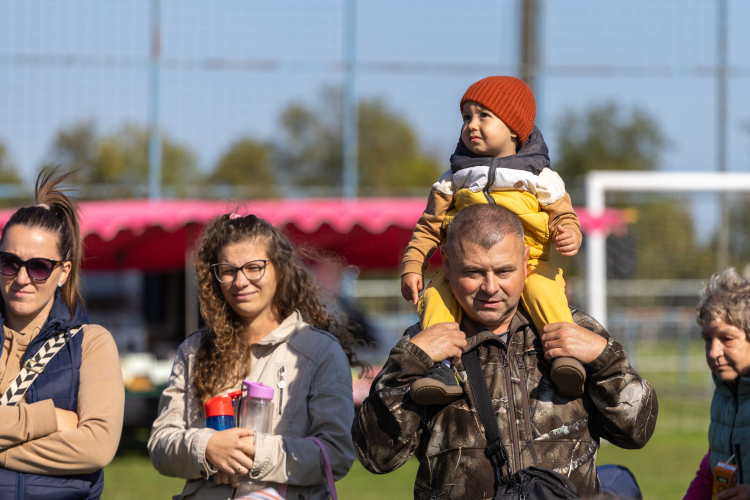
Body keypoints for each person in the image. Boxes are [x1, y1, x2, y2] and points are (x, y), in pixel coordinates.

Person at [353, 203, 658, 499]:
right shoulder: (426, 345)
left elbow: (636, 431)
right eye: (473, 272)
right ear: (445, 261)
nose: (490, 287)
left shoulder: (572, 329)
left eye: (504, 271)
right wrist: (408, 361)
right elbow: (376, 456)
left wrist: (605, 357)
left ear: (527, 261)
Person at [149, 212, 362, 500]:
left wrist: (252, 453)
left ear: (281, 270)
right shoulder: (194, 350)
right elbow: (161, 445)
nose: (240, 281)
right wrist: (207, 448)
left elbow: (336, 455)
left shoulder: (320, 351)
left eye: (254, 267)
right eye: (227, 270)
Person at [401, 75, 586, 403]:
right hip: (466, 267)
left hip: (528, 265)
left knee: (545, 291)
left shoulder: (539, 177)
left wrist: (569, 233)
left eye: (483, 115)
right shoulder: (453, 180)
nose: (472, 124)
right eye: (466, 117)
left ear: (515, 127)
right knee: (436, 296)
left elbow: (564, 215)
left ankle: (564, 358)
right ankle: (440, 368)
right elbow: (428, 228)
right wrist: (413, 264)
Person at [0, 169, 124, 499]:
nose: (22, 278)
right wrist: (50, 418)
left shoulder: (93, 343)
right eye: (9, 262)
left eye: (39, 266)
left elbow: (97, 448)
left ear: (63, 272)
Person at [684, 269, 750, 499]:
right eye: (707, 339)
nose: (713, 352)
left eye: (727, 338)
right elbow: (712, 469)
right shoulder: (727, 394)